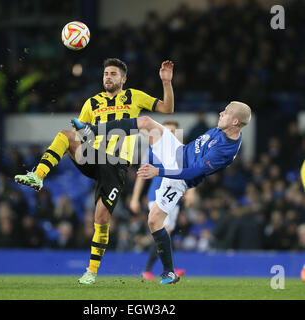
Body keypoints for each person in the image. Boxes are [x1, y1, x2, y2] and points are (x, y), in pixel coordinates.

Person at [15, 58, 175, 284]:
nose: (108, 77)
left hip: (117, 165)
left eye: (113, 74)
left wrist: (166, 82)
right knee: (66, 135)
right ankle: (37, 175)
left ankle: (91, 271)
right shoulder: (92, 103)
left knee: (100, 218)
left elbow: (167, 109)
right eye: (105, 74)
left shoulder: (134, 96)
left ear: (123, 79)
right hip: (93, 156)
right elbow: (81, 132)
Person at [72, 101, 251, 284]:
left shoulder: (226, 150)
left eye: (226, 112)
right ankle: (91, 130)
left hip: (179, 177)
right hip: (177, 152)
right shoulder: (224, 129)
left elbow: (195, 172)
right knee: (146, 122)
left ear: (236, 122)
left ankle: (169, 272)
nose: (221, 113)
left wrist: (159, 171)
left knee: (154, 220)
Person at [129, 120, 191, 280]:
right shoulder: (153, 151)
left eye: (173, 131)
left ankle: (168, 267)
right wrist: (135, 198)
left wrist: (190, 193)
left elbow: (190, 173)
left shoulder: (181, 152)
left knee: (165, 233)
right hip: (156, 195)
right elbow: (141, 177)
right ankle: (150, 270)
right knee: (164, 230)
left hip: (174, 199)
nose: (170, 134)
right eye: (167, 131)